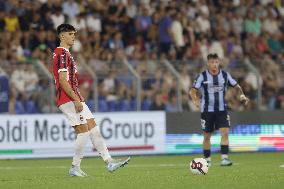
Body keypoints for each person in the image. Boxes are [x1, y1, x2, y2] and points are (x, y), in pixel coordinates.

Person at [52, 24, 130, 177]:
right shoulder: (61, 54)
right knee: (83, 133)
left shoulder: (66, 53)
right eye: (70, 34)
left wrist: (78, 97)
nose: (73, 36)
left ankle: (109, 162)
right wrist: (75, 99)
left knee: (94, 129)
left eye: (74, 33)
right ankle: (75, 167)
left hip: (74, 97)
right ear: (62, 36)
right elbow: (62, 80)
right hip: (68, 99)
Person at [189, 53, 249, 166]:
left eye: (216, 62)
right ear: (208, 63)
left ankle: (224, 159)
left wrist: (242, 95)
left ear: (219, 62)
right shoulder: (202, 76)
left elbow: (236, 86)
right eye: (212, 62)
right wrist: (195, 100)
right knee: (207, 136)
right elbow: (192, 90)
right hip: (207, 111)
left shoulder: (225, 75)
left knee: (225, 133)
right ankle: (207, 160)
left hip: (222, 110)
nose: (214, 64)